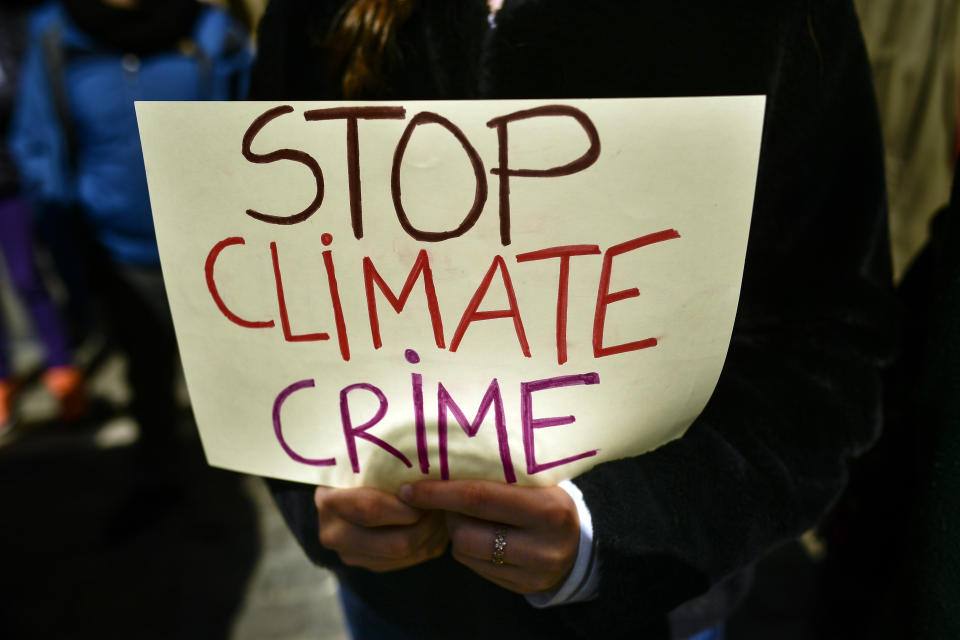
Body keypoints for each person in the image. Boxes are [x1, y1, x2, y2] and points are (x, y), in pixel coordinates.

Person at [249, 1, 897, 637]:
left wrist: (610, 532)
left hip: (647, 608)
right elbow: (263, 300)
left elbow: (823, 352)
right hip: (392, 598)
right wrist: (316, 504)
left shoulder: (765, 18)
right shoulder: (316, 11)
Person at [9, 0, 251, 467]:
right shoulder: (56, 38)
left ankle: (244, 477)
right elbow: (39, 147)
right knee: (148, 379)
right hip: (118, 254)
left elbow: (255, 124)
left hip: (218, 255)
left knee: (233, 384)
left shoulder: (215, 32)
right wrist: (69, 253)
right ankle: (163, 486)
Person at [0, 0, 84, 432]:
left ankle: (62, 370)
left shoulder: (16, 28)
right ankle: (4, 383)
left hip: (11, 178)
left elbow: (23, 95)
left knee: (29, 276)